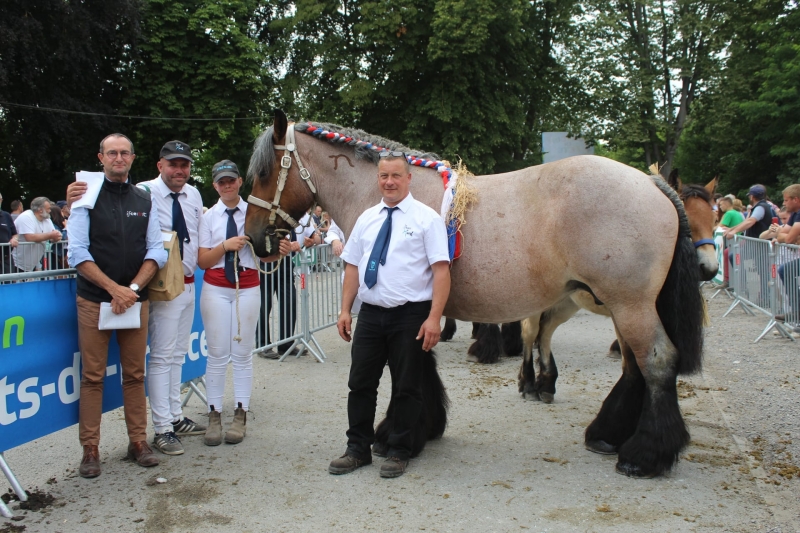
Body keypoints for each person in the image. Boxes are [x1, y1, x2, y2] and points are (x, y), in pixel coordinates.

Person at [328, 151, 451, 479]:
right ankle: (357, 448)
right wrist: (345, 310)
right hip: (371, 315)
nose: (389, 182)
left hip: (410, 315)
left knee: (407, 386)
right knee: (360, 383)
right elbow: (353, 266)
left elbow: (441, 271)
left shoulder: (426, 219)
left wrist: (434, 318)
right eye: (384, 176)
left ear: (408, 178)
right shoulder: (367, 218)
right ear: (378, 178)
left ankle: (400, 449)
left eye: (396, 175)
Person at [66, 133, 168, 478]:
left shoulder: (144, 198)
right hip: (95, 299)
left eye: (125, 153)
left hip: (135, 299)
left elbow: (156, 250)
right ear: (101, 158)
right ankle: (90, 449)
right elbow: (77, 252)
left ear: (133, 158)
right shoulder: (84, 196)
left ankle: (138, 442)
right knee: (92, 377)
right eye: (112, 153)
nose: (119, 158)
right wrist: (114, 289)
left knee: (135, 375)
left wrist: (132, 289)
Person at [197, 160, 290, 446]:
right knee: (216, 353)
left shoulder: (254, 213)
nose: (227, 186)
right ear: (215, 186)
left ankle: (241, 412)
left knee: (242, 353)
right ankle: (214, 414)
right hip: (216, 287)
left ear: (239, 182)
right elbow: (203, 260)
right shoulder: (208, 218)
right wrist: (224, 246)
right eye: (221, 182)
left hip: (247, 286)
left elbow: (265, 255)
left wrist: (280, 251)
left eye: (231, 180)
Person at [138, 140, 206, 456]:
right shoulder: (144, 192)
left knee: (178, 354)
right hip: (164, 288)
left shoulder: (193, 194)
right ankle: (162, 427)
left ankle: (175, 416)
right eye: (173, 164)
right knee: (162, 356)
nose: (179, 170)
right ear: (160, 165)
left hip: (189, 283)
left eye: (184, 165)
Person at [257, 207, 321, 359]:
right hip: (268, 261)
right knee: (264, 304)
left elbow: (317, 237)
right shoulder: (271, 212)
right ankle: (263, 344)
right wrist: (285, 245)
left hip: (286, 264)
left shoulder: (302, 215)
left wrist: (312, 241)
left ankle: (286, 343)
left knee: (289, 302)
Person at [12, 196, 62, 272]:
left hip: (33, 262)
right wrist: (51, 235)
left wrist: (56, 237)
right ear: (40, 210)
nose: (50, 211)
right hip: (17, 262)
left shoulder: (46, 219)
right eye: (48, 208)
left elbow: (52, 236)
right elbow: (30, 237)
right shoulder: (26, 217)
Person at [0, 193, 18, 275]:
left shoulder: (6, 215)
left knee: (9, 281)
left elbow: (15, 234)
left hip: (6, 258)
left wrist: (14, 239)